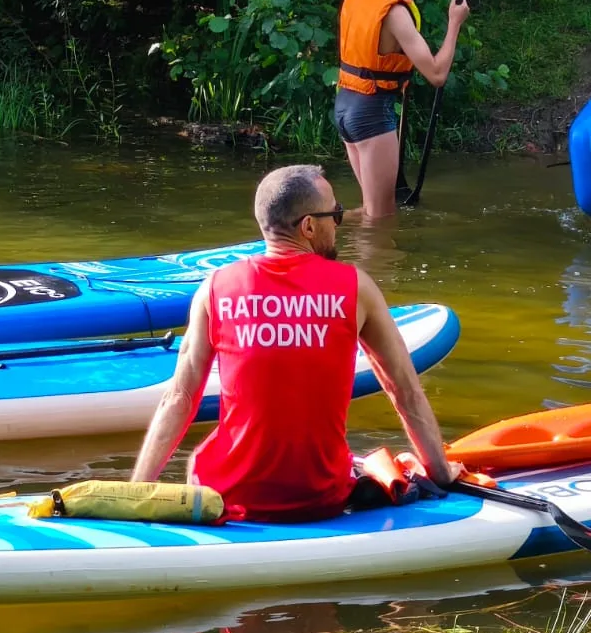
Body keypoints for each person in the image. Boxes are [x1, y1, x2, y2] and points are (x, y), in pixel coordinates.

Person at [129, 164, 461, 521]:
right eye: (334, 214)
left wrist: (132, 495)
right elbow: (404, 391)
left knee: (204, 456)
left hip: (223, 497)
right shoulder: (356, 287)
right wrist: (441, 475)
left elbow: (180, 397)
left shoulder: (215, 288)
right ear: (308, 226)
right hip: (319, 499)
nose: (338, 223)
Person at [335, 0, 471, 220]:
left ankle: (324, 226)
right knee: (382, 222)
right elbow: (436, 74)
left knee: (370, 211)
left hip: (346, 106)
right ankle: (367, 265)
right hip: (372, 114)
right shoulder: (396, 12)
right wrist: (454, 23)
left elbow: (377, 32)